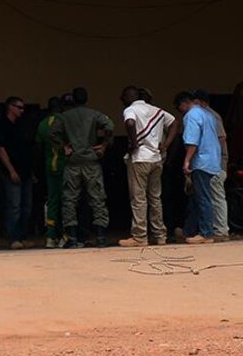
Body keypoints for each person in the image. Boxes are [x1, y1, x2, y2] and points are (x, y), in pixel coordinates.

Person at [49, 87, 113, 246]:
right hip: (91, 161)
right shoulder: (94, 114)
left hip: (73, 162)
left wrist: (64, 147)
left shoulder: (64, 117)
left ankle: (72, 237)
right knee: (97, 198)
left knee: (70, 200)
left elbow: (52, 133)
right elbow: (110, 126)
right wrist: (104, 145)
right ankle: (101, 237)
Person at [117, 86, 174, 247]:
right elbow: (174, 123)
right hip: (156, 159)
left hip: (140, 159)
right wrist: (166, 144)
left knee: (138, 199)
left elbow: (129, 123)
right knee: (155, 198)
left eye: (123, 97)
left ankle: (140, 236)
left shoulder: (131, 109)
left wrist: (134, 142)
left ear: (129, 97)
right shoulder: (157, 110)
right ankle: (160, 235)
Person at [176, 90, 226, 246]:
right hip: (213, 160)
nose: (180, 112)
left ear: (185, 103)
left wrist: (186, 161)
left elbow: (192, 141)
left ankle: (206, 233)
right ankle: (189, 231)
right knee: (198, 198)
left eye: (179, 108)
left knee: (203, 198)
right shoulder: (209, 115)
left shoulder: (191, 116)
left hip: (201, 161)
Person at [0, 96, 34, 249]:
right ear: (10, 107)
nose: (22, 111)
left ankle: (22, 237)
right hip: (11, 171)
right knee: (14, 206)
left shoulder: (21, 126)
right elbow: (0, 149)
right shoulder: (2, 125)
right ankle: (13, 238)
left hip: (26, 172)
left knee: (26, 207)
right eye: (19, 107)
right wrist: (11, 170)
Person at [35, 96, 67, 249]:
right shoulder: (64, 121)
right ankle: (65, 236)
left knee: (52, 201)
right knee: (67, 200)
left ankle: (50, 236)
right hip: (64, 165)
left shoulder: (42, 124)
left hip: (49, 166)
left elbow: (38, 146)